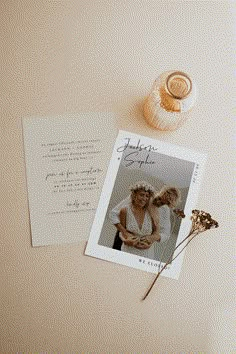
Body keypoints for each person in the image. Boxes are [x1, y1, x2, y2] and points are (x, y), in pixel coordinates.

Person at [110, 184, 181, 253]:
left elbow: (165, 234)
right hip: (123, 236)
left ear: (169, 205)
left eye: (164, 203)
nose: (159, 202)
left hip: (144, 247)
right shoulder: (143, 196)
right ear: (160, 192)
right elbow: (113, 214)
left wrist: (153, 238)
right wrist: (124, 233)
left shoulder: (165, 210)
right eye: (159, 198)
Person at [112, 181, 158, 258]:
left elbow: (156, 233)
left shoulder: (151, 213)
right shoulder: (124, 211)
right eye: (142, 195)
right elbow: (122, 231)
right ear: (134, 195)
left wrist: (150, 243)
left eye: (147, 196)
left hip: (147, 254)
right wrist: (125, 240)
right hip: (128, 251)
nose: (144, 198)